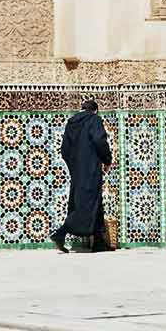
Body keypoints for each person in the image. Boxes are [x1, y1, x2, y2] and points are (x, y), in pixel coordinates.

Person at [50, 99, 113, 253]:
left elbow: (64, 150)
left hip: (77, 171)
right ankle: (61, 233)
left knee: (95, 202)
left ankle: (98, 242)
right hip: (91, 169)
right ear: (95, 110)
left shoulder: (71, 123)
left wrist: (74, 166)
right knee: (85, 205)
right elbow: (99, 140)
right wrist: (107, 160)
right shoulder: (95, 119)